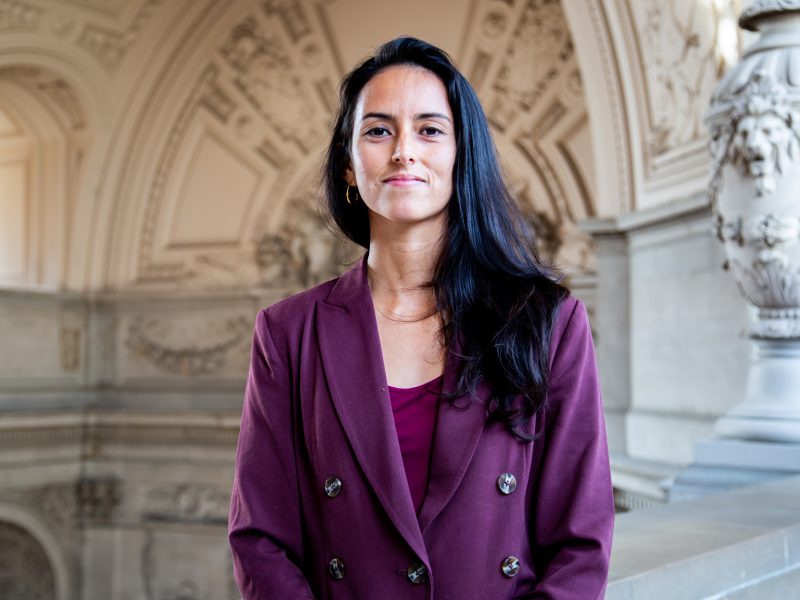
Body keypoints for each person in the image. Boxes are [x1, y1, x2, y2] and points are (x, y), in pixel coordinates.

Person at [228, 36, 614, 599]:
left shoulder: (548, 323)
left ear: (462, 156)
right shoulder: (289, 333)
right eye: (378, 130)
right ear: (348, 168)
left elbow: (581, 547)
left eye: (430, 130)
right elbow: (260, 538)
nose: (404, 150)